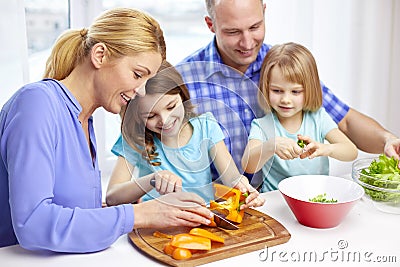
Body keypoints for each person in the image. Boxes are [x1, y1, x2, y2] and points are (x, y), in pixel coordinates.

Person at [0, 8, 213, 252]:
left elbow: (74, 214)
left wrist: (158, 209)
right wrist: (138, 214)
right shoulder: (36, 104)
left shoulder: (84, 122)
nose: (141, 91)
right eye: (137, 75)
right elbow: (33, 224)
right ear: (100, 55)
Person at [178, 0, 400, 186]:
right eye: (233, 32)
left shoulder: (283, 67)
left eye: (255, 27)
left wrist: (388, 140)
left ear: (264, 12)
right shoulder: (184, 81)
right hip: (220, 204)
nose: (247, 43)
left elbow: (346, 122)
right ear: (211, 24)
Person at [107, 61, 263, 208]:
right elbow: (112, 197)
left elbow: (231, 178)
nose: (165, 120)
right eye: (150, 116)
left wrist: (244, 188)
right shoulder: (135, 138)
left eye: (171, 107)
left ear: (182, 96)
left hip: (203, 218)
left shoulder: (206, 126)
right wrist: (151, 180)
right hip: (156, 223)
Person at [241, 42, 358, 191]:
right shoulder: (262, 125)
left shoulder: (318, 118)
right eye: (277, 91)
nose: (285, 99)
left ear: (309, 90)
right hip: (276, 201)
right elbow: (248, 165)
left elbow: (351, 151)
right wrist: (271, 146)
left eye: (295, 92)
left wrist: (326, 149)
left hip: (315, 198)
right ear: (266, 88)